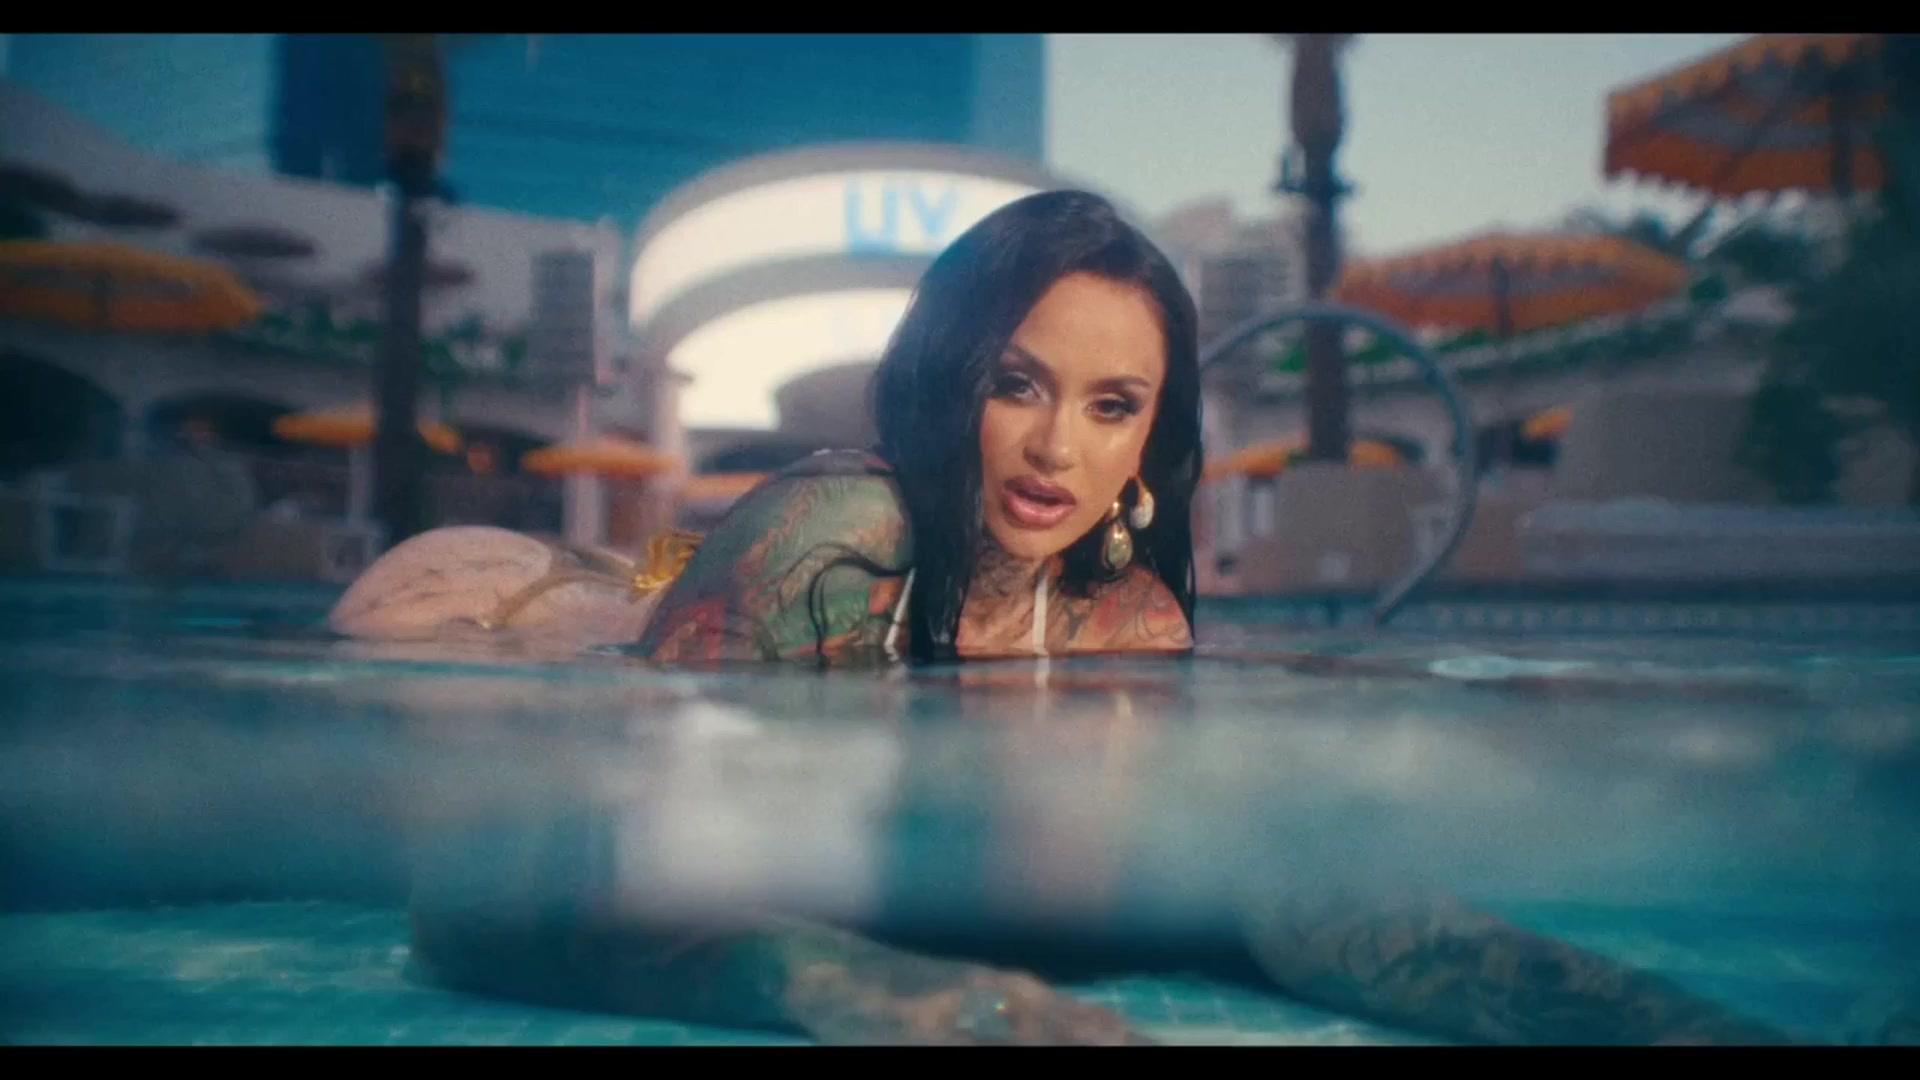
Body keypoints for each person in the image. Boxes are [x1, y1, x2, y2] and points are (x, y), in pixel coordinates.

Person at [343, 191, 1794, 1045]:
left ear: (1152, 437)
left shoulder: (1126, 623)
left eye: (1113, 405)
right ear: (951, 374)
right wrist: (857, 986)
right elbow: (487, 896)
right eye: (1017, 384)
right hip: (493, 608)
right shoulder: (840, 534)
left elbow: (1275, 902)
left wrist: (1650, 1018)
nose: (1056, 450)